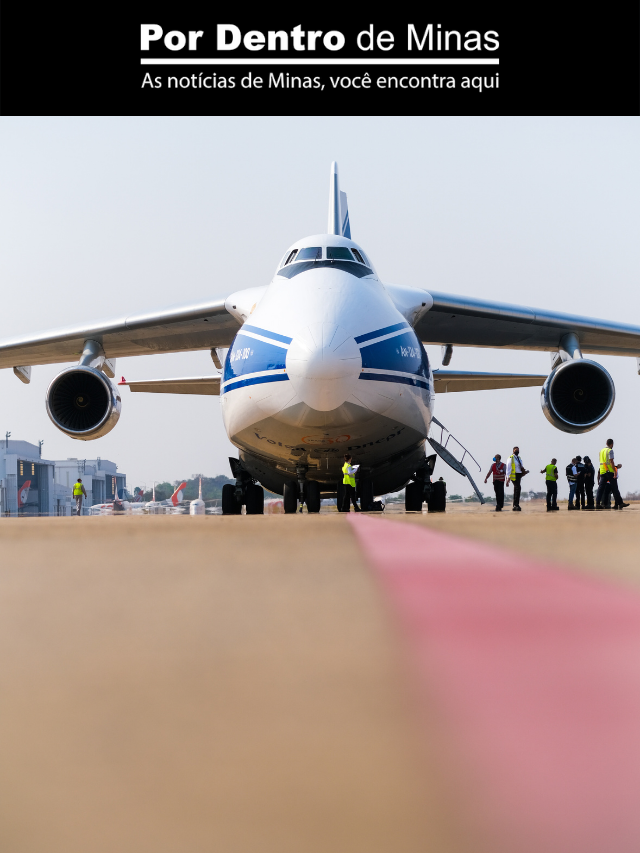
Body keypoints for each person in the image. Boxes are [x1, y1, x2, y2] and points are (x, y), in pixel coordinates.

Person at [596, 439, 629, 510]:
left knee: (601, 489)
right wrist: (614, 470)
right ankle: (620, 503)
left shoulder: (601, 451)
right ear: (612, 444)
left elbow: (603, 461)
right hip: (609, 471)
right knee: (615, 488)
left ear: (606, 443)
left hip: (602, 471)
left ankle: (597, 503)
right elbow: (611, 461)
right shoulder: (610, 451)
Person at [506, 446, 528, 511]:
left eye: (518, 450)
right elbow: (508, 468)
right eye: (516, 450)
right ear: (513, 451)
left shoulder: (519, 458)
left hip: (519, 475)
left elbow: (521, 466)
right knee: (518, 487)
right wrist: (508, 478)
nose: (517, 451)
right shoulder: (510, 458)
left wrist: (524, 472)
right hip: (513, 475)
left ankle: (516, 504)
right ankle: (515, 505)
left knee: (517, 489)